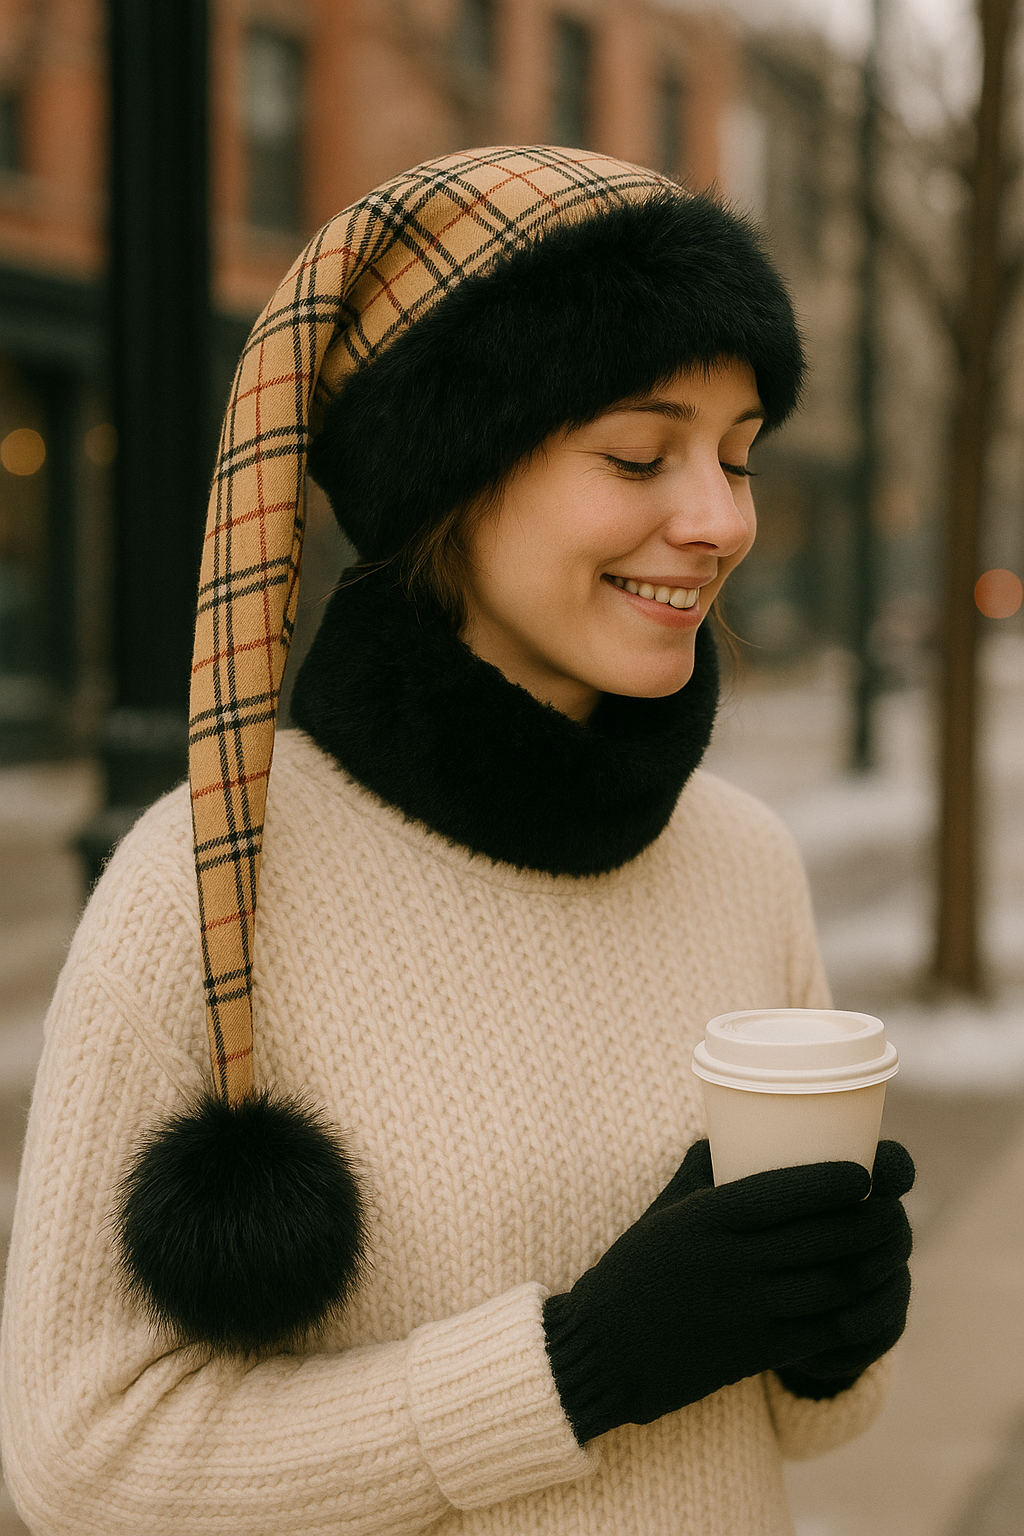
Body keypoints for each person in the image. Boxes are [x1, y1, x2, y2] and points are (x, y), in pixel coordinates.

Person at [0, 146, 913, 1535]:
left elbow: (812, 1419)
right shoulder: (210, 877)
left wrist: (828, 1323)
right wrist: (576, 1367)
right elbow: (80, 1458)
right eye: (638, 452)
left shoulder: (742, 857)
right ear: (453, 468)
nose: (722, 519)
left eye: (738, 455)